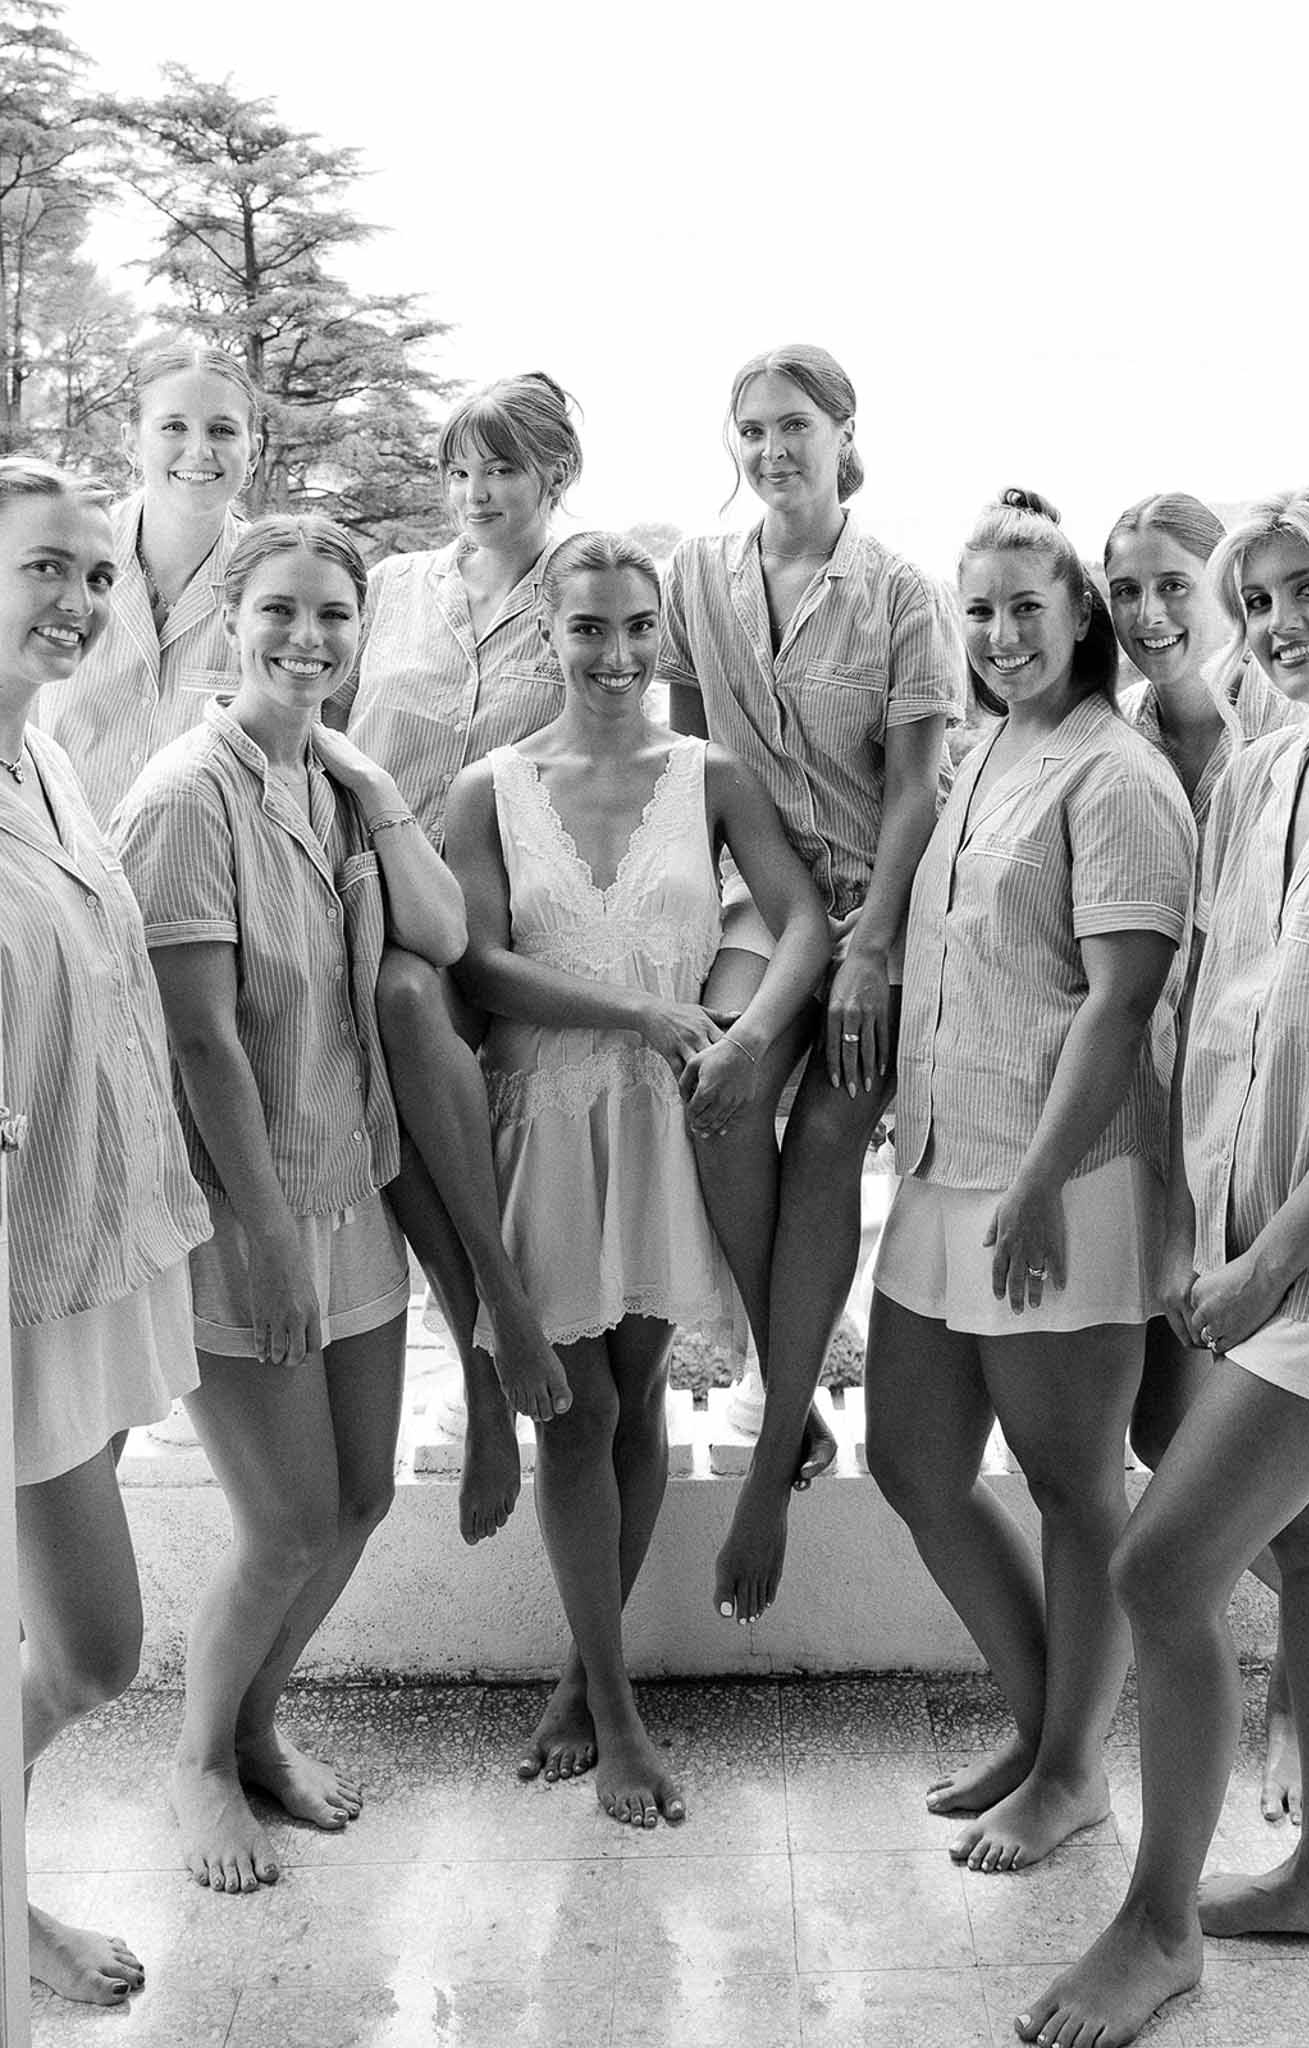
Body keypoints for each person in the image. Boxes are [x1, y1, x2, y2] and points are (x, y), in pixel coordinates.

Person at [1017, 483, 1309, 2048]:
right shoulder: (1271, 764)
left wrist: (1269, 1267)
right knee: (1305, 1552)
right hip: (1247, 1227)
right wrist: (1194, 1228)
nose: (1285, 623)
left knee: (1159, 1566)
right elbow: (1216, 1008)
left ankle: (1156, 1931)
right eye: (1267, 597)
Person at [444, 531, 829, 1818]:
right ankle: (615, 1714)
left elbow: (806, 923)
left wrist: (752, 1031)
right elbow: (480, 967)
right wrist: (643, 1016)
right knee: (576, 1413)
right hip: (544, 1119)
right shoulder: (488, 786)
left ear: (662, 633)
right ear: (546, 633)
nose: (616, 656)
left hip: (667, 1121)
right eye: (589, 629)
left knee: (642, 1388)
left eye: (637, 629)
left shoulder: (706, 773)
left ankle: (579, 1675)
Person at [115, 516, 467, 1894]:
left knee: (362, 1495)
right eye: (280, 610)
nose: (306, 638)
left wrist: (375, 783)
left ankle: (258, 1727)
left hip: (348, 1189)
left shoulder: (330, 778)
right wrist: (262, 1243)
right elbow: (200, 1042)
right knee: (285, 1522)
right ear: (230, 624)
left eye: (334, 614)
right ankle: (200, 1759)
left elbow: (437, 936)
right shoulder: (187, 796)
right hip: (239, 1216)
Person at [864, 489, 1196, 1873]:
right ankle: (1038, 1717)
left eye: (1026, 609)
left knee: (1071, 1486)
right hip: (945, 1160)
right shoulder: (987, 749)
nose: (999, 635)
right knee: (914, 1461)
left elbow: (1121, 1006)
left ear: (1079, 620)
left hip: (1062, 1177)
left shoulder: (1115, 775)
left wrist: (1046, 1178)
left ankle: (1070, 1772)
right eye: (979, 612)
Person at [658, 344, 962, 1626]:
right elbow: (681, 757)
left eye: (795, 425)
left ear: (844, 434)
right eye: (750, 428)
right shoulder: (694, 574)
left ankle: (775, 1454)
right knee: (714, 1096)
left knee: (832, 1134)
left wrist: (876, 945)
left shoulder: (899, 587)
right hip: (753, 902)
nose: (771, 448)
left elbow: (914, 787)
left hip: (884, 905)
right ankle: (783, 1379)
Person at [0, 458, 211, 2000]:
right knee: (88, 1650)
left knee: (50, 1643)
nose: (74, 602)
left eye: (91, 573)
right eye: (39, 571)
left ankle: (11, 1905)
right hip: (17, 1301)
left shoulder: (53, 762)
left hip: (95, 1246)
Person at [330, 373, 587, 1545]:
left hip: (506, 907)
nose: (476, 492)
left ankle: (496, 1341)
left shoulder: (586, 593)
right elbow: (313, 717)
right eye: (460, 469)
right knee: (381, 1072)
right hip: (358, 887)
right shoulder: (390, 590)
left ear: (555, 475)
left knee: (400, 997)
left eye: (504, 469)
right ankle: (494, 1350)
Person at [1106, 491, 1309, 1825]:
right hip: (1156, 1128)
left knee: (1232, 1465)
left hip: (1271, 1152)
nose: (1147, 613)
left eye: (1174, 582)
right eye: (1123, 590)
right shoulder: (1126, 741)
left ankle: (1297, 1711)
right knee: (1155, 1424)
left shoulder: (1279, 739)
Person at [32, 342, 262, 830]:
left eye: (222, 430)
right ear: (130, 441)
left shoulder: (271, 586)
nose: (199, 450)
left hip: (200, 884)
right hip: (55, 866)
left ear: (254, 450)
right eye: (173, 426)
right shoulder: (56, 558)